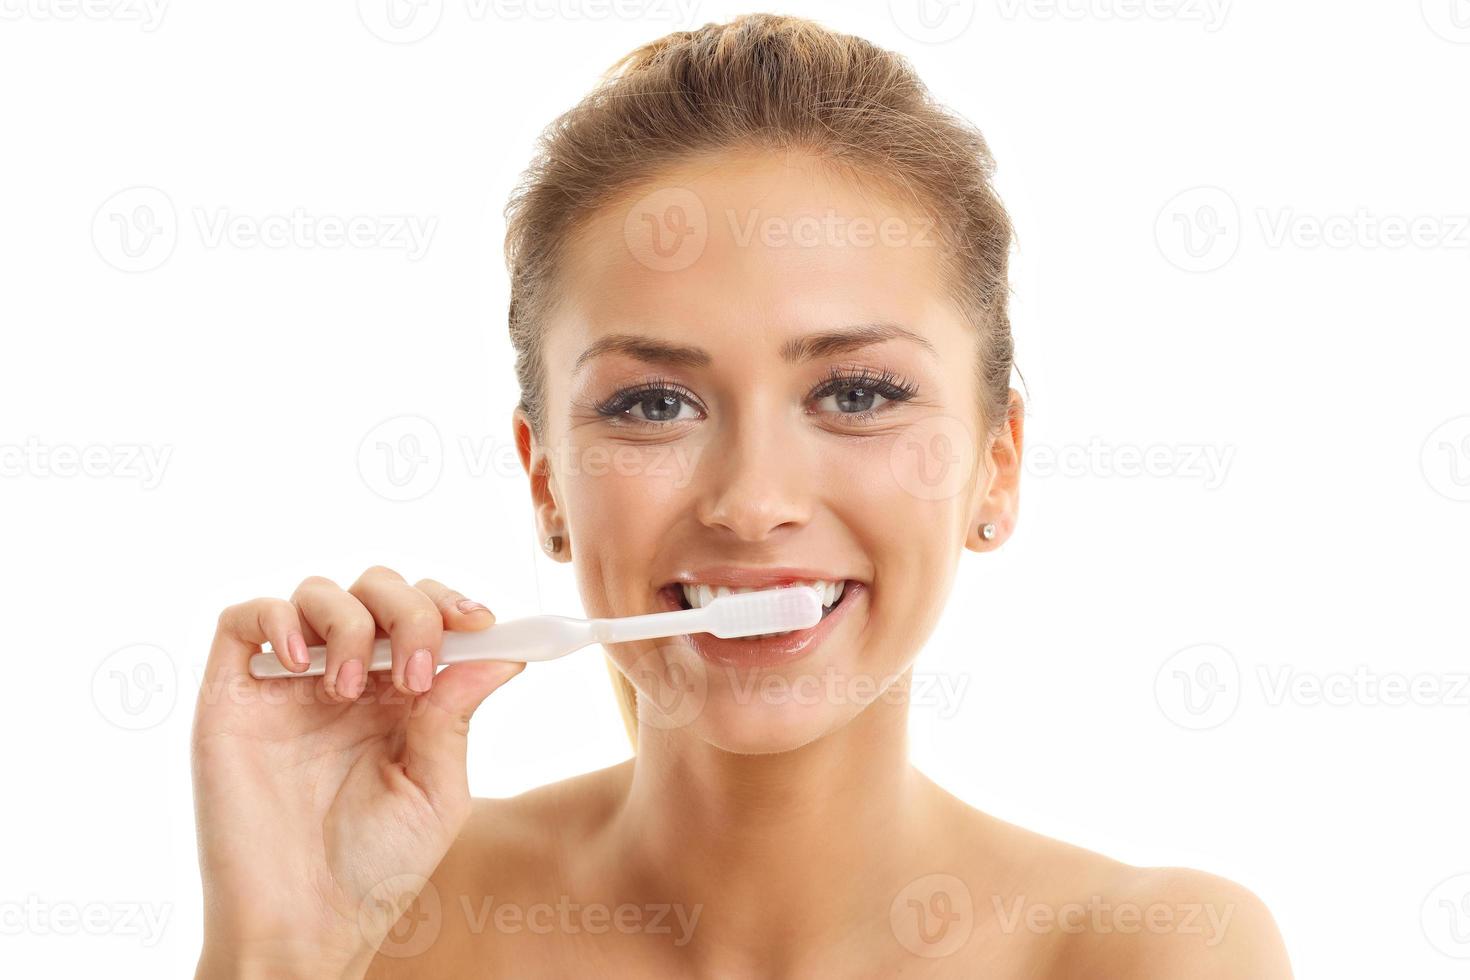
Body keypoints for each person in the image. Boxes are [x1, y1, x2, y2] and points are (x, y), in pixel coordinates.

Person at [191, 13, 1292, 977]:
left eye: (856, 391)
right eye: (655, 405)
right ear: (546, 481)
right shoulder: (394, 925)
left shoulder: (1153, 953)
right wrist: (281, 951)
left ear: (995, 462)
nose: (753, 501)